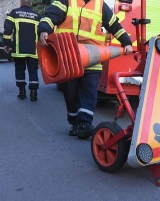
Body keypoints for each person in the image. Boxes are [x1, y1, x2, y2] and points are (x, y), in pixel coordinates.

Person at [38, 0, 133, 139]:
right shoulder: (66, 1)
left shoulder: (100, 4)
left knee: (89, 91)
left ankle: (85, 124)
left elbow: (114, 25)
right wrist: (44, 29)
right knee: (71, 93)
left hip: (92, 57)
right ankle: (75, 123)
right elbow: (50, 16)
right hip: (69, 58)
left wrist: (126, 42)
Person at [3, 0, 41, 101]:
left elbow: (7, 30)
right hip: (34, 50)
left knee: (20, 70)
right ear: (31, 4)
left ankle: (22, 92)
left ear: (20, 3)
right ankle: (34, 93)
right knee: (33, 71)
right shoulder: (37, 15)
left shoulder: (14, 13)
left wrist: (6, 44)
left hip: (19, 49)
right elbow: (42, 30)